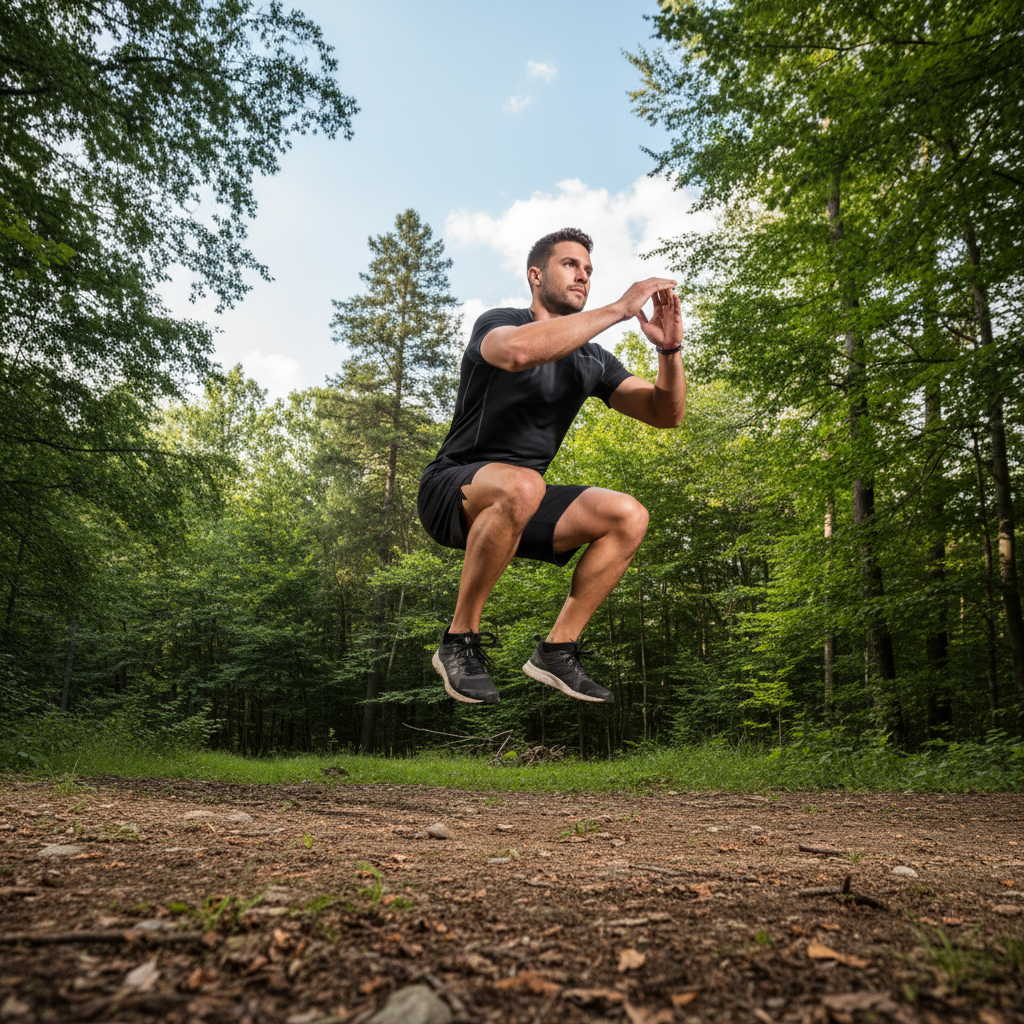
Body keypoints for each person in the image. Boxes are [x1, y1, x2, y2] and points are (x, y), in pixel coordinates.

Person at [417, 227, 685, 705]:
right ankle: (458, 641)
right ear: (535, 275)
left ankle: (557, 650)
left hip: (522, 501)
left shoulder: (593, 360)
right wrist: (619, 310)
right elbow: (518, 352)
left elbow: (665, 414)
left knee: (628, 515)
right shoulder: (500, 322)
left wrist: (669, 351)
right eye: (570, 265)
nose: (583, 276)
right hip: (451, 491)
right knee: (523, 485)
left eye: (588, 270)